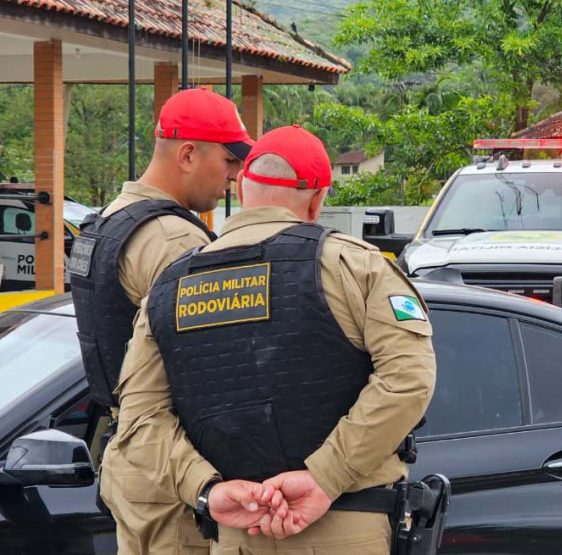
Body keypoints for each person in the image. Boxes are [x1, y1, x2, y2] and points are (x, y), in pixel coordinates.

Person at [111, 125, 437, 554]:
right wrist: (324, 476)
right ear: (318, 199)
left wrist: (206, 491)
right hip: (348, 527)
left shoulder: (169, 287)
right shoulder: (355, 266)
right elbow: (408, 379)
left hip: (237, 534)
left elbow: (140, 418)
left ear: (243, 186)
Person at [69, 87, 253, 555]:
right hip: (174, 466)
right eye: (229, 160)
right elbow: (218, 368)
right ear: (188, 154)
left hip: (132, 456)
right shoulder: (170, 238)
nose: (234, 176)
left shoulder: (107, 221)